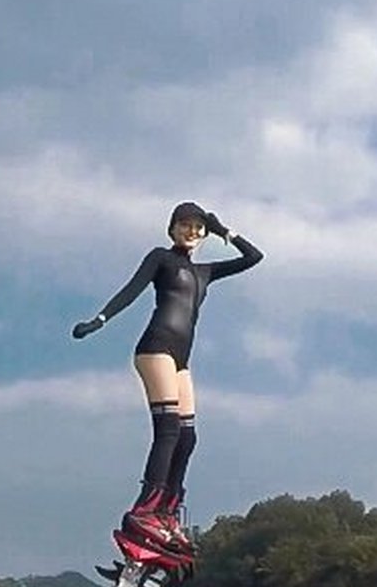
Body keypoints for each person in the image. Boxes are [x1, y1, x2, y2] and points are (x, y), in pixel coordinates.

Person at [72, 201, 263, 556]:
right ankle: (146, 510)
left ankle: (166, 514)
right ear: (172, 228)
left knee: (188, 437)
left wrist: (225, 231)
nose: (191, 231)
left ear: (204, 233)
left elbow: (254, 257)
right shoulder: (161, 258)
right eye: (184, 225)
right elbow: (131, 290)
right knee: (169, 429)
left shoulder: (206, 272)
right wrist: (99, 320)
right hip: (156, 347)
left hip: (181, 359)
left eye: (198, 226)